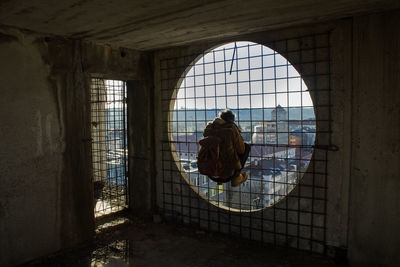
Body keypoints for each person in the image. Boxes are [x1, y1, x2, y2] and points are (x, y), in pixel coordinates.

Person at [202, 109, 250, 186]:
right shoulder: (231, 129)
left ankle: (220, 180)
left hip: (208, 170)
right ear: (232, 119)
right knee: (247, 147)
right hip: (227, 173)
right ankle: (236, 178)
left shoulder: (209, 127)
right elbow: (241, 150)